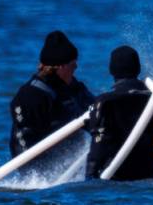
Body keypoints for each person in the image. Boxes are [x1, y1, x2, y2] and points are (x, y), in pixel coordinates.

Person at [85, 45, 153, 181]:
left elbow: (98, 143)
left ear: (112, 70)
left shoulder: (105, 102)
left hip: (114, 177)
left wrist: (90, 176)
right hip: (148, 174)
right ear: (138, 69)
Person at [9, 30, 95, 158]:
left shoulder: (74, 87)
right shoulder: (31, 96)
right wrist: (36, 169)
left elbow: (93, 108)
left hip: (72, 153)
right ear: (61, 67)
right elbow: (23, 141)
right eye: (73, 63)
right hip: (38, 161)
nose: (76, 66)